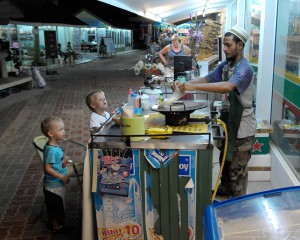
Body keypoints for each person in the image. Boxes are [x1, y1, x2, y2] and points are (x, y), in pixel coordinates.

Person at [175, 26, 256, 198]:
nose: (225, 49)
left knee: (237, 174)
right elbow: (208, 78)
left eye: (228, 45)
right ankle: (224, 198)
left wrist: (193, 86)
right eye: (224, 45)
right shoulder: (227, 65)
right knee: (225, 168)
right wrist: (184, 85)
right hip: (229, 124)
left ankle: (239, 210)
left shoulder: (245, 69)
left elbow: (228, 86)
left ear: (240, 45)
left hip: (242, 130)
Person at [41, 116, 70, 233]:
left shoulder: (55, 145)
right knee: (55, 207)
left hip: (57, 182)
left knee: (59, 205)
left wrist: (63, 160)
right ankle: (56, 226)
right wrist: (62, 176)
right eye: (61, 129)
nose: (64, 131)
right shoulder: (52, 150)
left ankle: (57, 221)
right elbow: (48, 168)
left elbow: (56, 163)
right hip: (53, 185)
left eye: (63, 128)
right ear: (51, 133)